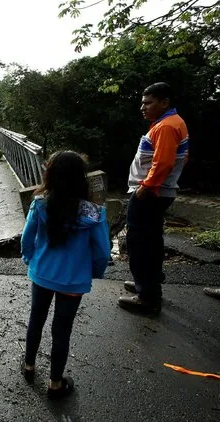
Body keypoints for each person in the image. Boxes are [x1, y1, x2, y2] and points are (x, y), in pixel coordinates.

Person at [21, 151, 111, 399]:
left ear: (49, 175)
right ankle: (55, 383)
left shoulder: (40, 204)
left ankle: (29, 365)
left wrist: (30, 259)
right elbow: (103, 251)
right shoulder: (95, 213)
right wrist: (94, 272)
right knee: (62, 331)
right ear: (81, 178)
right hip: (74, 280)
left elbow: (27, 239)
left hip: (41, 274)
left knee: (36, 320)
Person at [119, 82, 189, 315]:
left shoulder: (167, 127)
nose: (143, 107)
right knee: (151, 239)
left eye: (148, 102)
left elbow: (164, 162)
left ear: (165, 102)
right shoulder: (168, 123)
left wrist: (146, 186)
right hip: (158, 192)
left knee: (140, 243)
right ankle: (147, 283)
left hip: (150, 193)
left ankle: (147, 296)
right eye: (142, 102)